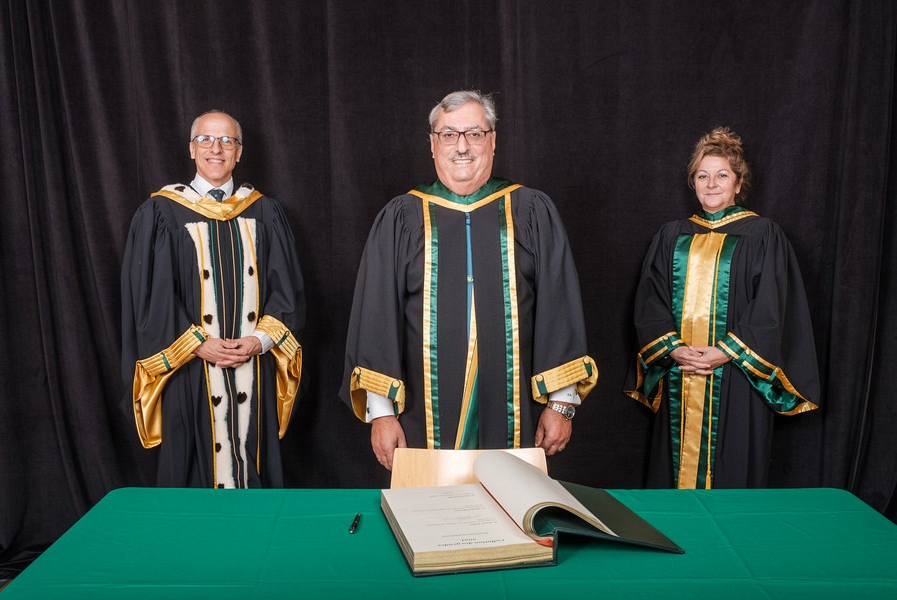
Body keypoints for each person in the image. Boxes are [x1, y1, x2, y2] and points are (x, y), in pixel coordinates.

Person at [341, 90, 597, 470]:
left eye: (474, 134)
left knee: (511, 518)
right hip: (420, 418)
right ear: (433, 144)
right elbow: (377, 317)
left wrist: (561, 404)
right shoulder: (403, 216)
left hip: (515, 413)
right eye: (449, 134)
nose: (462, 146)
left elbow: (559, 308)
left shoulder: (529, 210)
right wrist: (381, 414)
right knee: (429, 520)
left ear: (493, 140)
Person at [625, 127, 820, 489]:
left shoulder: (762, 234)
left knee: (733, 475)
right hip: (679, 373)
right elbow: (649, 300)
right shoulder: (671, 234)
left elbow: (772, 308)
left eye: (721, 175)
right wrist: (674, 349)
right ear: (692, 182)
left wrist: (724, 352)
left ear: (738, 182)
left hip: (736, 378)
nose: (711, 184)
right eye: (702, 175)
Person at [121, 110, 305, 488]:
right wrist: (197, 345)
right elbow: (149, 298)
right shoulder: (160, 212)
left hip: (253, 368)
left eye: (227, 141)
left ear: (239, 152)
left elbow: (287, 291)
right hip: (190, 373)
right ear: (192, 149)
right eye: (206, 140)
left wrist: (259, 341)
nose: (216, 149)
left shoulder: (264, 211)